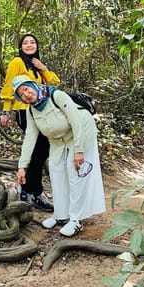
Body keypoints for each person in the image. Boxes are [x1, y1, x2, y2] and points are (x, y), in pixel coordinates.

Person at [12, 74, 106, 237]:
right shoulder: (31, 110)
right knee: (56, 170)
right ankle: (61, 215)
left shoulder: (56, 95)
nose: (26, 94)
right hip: (57, 141)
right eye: (21, 94)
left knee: (74, 172)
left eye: (26, 89)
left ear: (33, 85)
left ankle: (76, 220)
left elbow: (76, 120)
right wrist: (22, 166)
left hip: (80, 132)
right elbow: (30, 137)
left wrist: (79, 150)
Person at [0, 33, 60, 212]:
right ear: (20, 46)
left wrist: (43, 68)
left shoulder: (37, 67)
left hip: (43, 112)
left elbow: (55, 83)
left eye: (32, 42)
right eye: (25, 42)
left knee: (41, 150)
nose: (29, 45)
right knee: (40, 148)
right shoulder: (17, 62)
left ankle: (29, 190)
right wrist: (5, 111)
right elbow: (9, 87)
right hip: (25, 112)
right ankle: (32, 191)